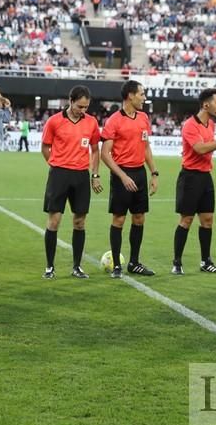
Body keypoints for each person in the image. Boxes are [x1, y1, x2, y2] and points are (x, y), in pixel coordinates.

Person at [171, 89, 216, 275]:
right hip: (190, 177)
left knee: (208, 220)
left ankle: (206, 261)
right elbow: (200, 149)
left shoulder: (210, 124)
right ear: (205, 104)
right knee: (186, 220)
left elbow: (208, 149)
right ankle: (177, 262)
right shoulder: (190, 125)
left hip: (205, 177)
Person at [40, 85, 102, 279]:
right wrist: (55, 164)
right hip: (59, 174)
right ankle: (50, 267)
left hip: (81, 176)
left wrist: (95, 174)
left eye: (86, 107)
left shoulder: (91, 123)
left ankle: (77, 266)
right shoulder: (54, 121)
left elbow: (95, 149)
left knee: (80, 222)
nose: (83, 111)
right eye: (80, 106)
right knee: (54, 220)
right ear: (71, 101)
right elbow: (45, 147)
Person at [101, 80, 158, 278]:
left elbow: (146, 147)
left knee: (139, 218)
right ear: (130, 96)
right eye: (141, 94)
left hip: (139, 173)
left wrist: (154, 173)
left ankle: (134, 262)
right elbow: (105, 154)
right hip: (121, 174)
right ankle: (117, 265)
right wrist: (123, 176)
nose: (144, 97)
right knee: (119, 219)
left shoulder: (143, 117)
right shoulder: (114, 120)